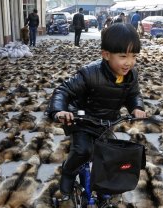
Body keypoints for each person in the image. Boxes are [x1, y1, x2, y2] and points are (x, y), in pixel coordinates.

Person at [46, 23, 146, 198]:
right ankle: (68, 172)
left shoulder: (131, 75)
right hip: (82, 120)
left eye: (134, 56)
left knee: (110, 156)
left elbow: (133, 94)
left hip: (107, 122)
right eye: (123, 56)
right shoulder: (89, 73)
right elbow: (63, 90)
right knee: (83, 150)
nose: (129, 62)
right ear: (106, 55)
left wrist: (137, 107)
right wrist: (59, 111)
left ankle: (105, 186)